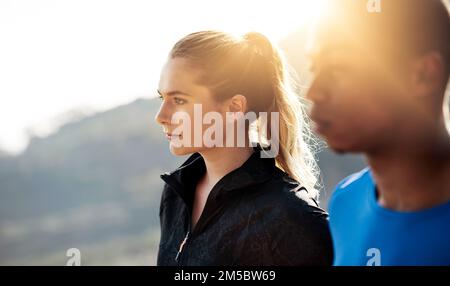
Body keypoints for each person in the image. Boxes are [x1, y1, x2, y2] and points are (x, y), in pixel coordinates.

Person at [155, 30, 333, 266]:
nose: (161, 116)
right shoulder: (175, 196)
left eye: (179, 100)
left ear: (235, 107)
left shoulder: (290, 216)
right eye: (162, 98)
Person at [307, 0, 450, 265]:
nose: (313, 91)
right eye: (315, 67)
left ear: (422, 75)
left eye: (338, 68)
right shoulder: (345, 202)